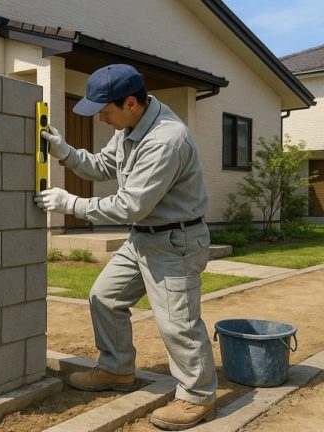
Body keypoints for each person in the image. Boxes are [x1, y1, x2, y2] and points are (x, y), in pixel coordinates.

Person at [35, 64, 217, 430]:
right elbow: (102, 166)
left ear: (130, 103)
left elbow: (131, 205)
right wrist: (64, 151)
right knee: (104, 297)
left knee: (177, 323)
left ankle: (198, 396)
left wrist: (71, 204)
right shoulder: (130, 128)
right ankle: (117, 369)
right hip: (144, 237)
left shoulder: (166, 140)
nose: (101, 118)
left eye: (104, 110)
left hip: (176, 242)